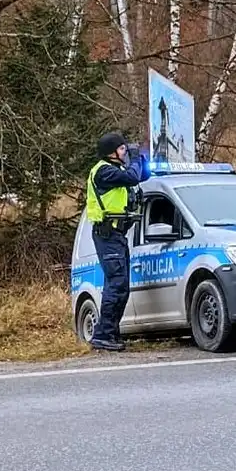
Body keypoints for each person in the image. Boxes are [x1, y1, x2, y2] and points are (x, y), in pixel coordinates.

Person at [85, 131, 146, 351]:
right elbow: (132, 177)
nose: (125, 153)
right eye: (122, 149)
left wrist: (141, 161)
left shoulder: (116, 171)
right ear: (111, 153)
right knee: (116, 283)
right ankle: (102, 334)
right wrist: (136, 159)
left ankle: (111, 333)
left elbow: (138, 177)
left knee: (122, 286)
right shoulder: (103, 172)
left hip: (116, 235)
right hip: (107, 235)